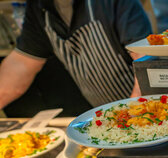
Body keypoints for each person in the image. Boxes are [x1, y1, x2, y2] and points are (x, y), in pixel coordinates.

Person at [0, 0, 152, 111]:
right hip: (104, 117)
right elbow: (21, 64)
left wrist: (133, 112)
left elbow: (145, 60)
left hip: (146, 109)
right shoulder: (39, 8)